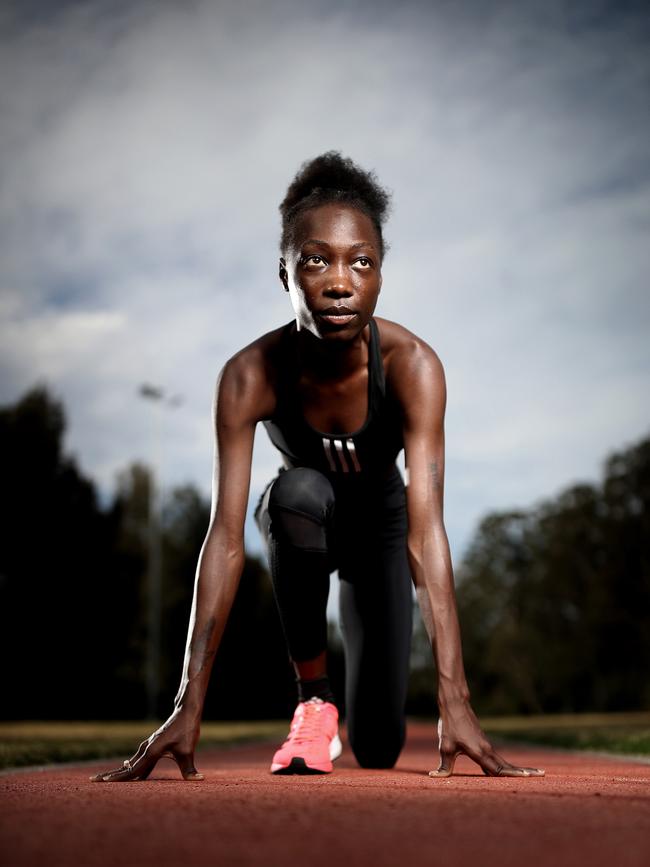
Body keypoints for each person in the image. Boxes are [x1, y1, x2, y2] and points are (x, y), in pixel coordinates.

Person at [91, 152, 544, 782]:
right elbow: (224, 536)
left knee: (381, 747)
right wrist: (186, 704)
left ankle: (361, 713)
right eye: (315, 259)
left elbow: (426, 530)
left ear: (381, 275)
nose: (340, 281)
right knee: (295, 492)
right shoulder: (249, 375)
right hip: (303, 520)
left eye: (361, 261)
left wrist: (456, 700)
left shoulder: (414, 367)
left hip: (384, 532)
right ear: (283, 273)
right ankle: (314, 700)